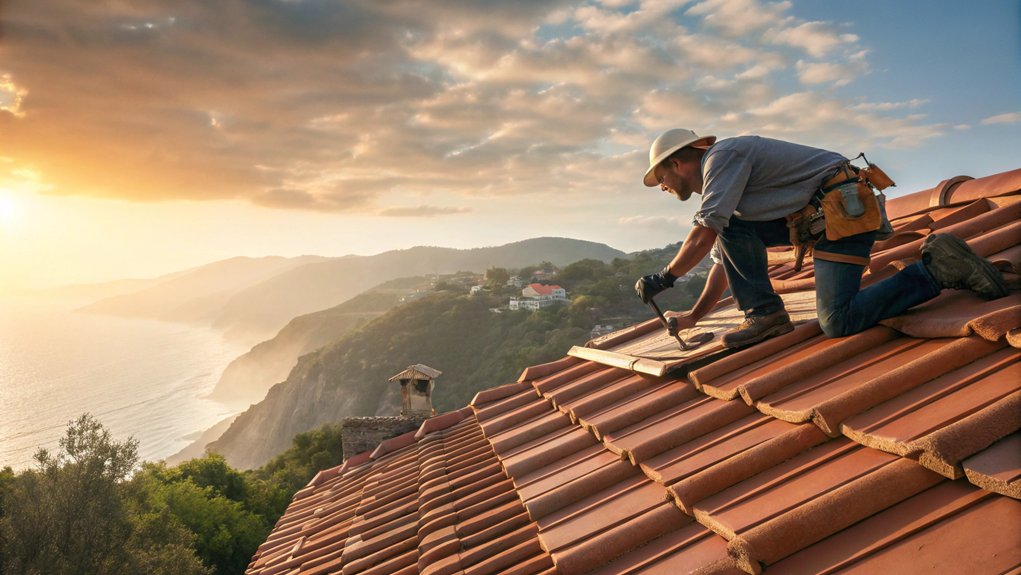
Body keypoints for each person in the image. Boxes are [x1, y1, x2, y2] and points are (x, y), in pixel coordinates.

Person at [635, 128, 1009, 348]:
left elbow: (703, 233)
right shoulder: (725, 184)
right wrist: (693, 317)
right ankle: (765, 315)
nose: (663, 187)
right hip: (824, 218)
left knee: (839, 321)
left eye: (661, 178)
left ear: (677, 163)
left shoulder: (722, 157)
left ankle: (937, 271)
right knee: (729, 229)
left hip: (842, 214)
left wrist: (665, 276)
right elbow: (724, 258)